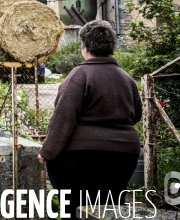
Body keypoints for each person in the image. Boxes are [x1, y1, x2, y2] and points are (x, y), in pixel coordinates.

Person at [38, 20, 142, 217]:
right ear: (111, 47)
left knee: (75, 207)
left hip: (83, 156)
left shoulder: (79, 75)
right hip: (125, 154)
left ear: (84, 47)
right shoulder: (127, 79)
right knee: (110, 207)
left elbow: (63, 117)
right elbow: (136, 114)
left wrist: (47, 152)